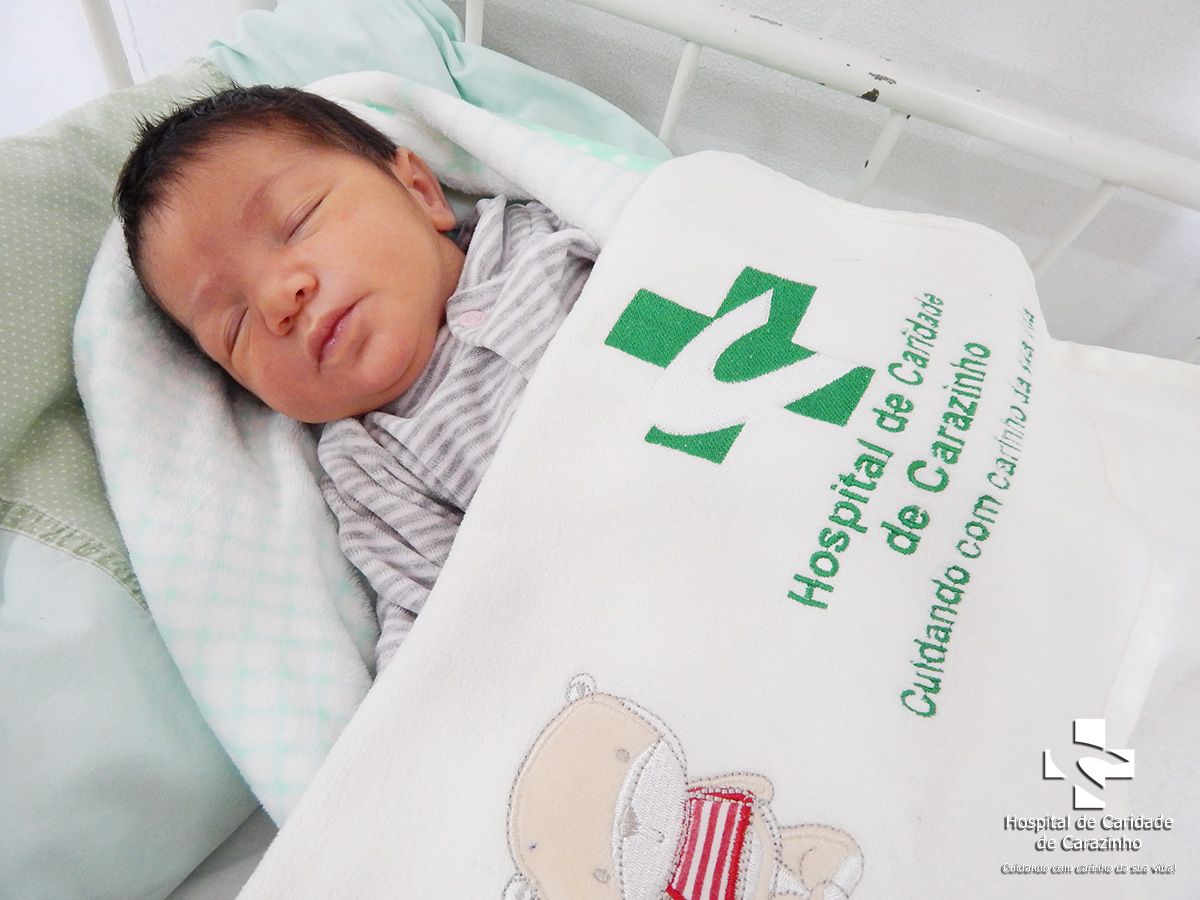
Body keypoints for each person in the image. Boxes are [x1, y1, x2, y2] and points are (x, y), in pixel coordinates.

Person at [115, 85, 598, 672]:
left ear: (420, 191)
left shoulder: (542, 249)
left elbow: (672, 291)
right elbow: (436, 632)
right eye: (235, 327)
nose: (277, 300)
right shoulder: (372, 473)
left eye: (298, 223)